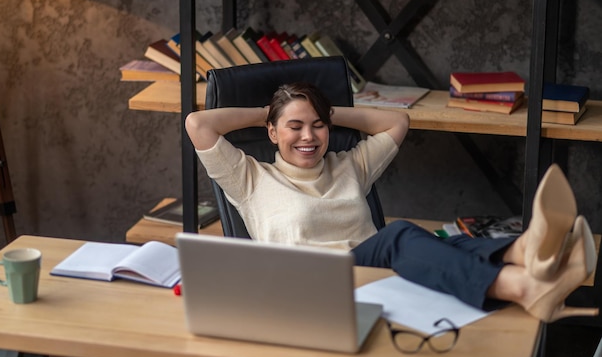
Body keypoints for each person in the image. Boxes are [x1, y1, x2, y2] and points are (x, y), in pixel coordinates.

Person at [185, 81, 598, 323]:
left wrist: (324, 112)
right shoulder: (250, 178)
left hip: (372, 274)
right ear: (272, 133)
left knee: (443, 245)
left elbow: (398, 121)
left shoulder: (350, 165)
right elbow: (198, 123)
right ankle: (523, 283)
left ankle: (531, 252)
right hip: (312, 287)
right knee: (400, 235)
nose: (308, 137)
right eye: (294, 127)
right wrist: (268, 112)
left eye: (318, 126)